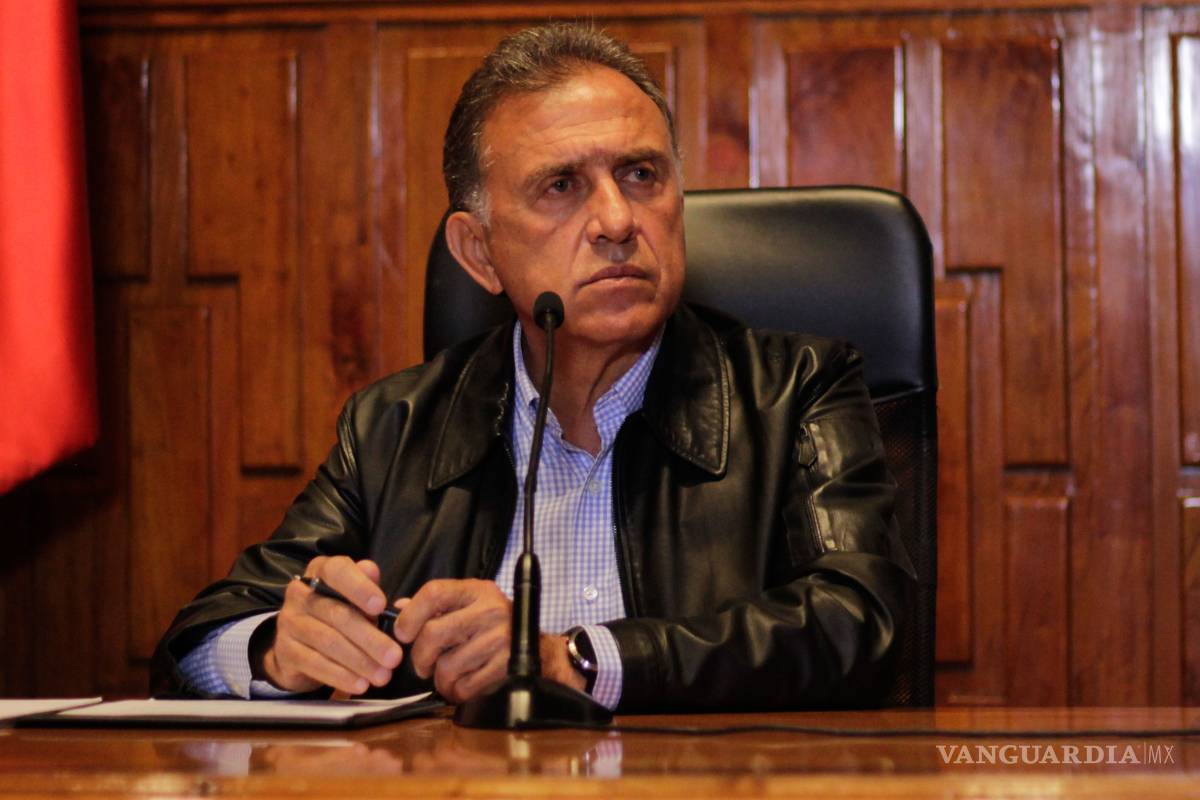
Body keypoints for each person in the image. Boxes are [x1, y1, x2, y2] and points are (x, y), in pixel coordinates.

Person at [152, 22, 914, 712]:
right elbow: (196, 641)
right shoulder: (393, 428)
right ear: (479, 252)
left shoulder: (794, 391)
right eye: (561, 186)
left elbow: (860, 623)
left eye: (641, 174)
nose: (617, 220)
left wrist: (574, 661)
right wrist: (276, 651)